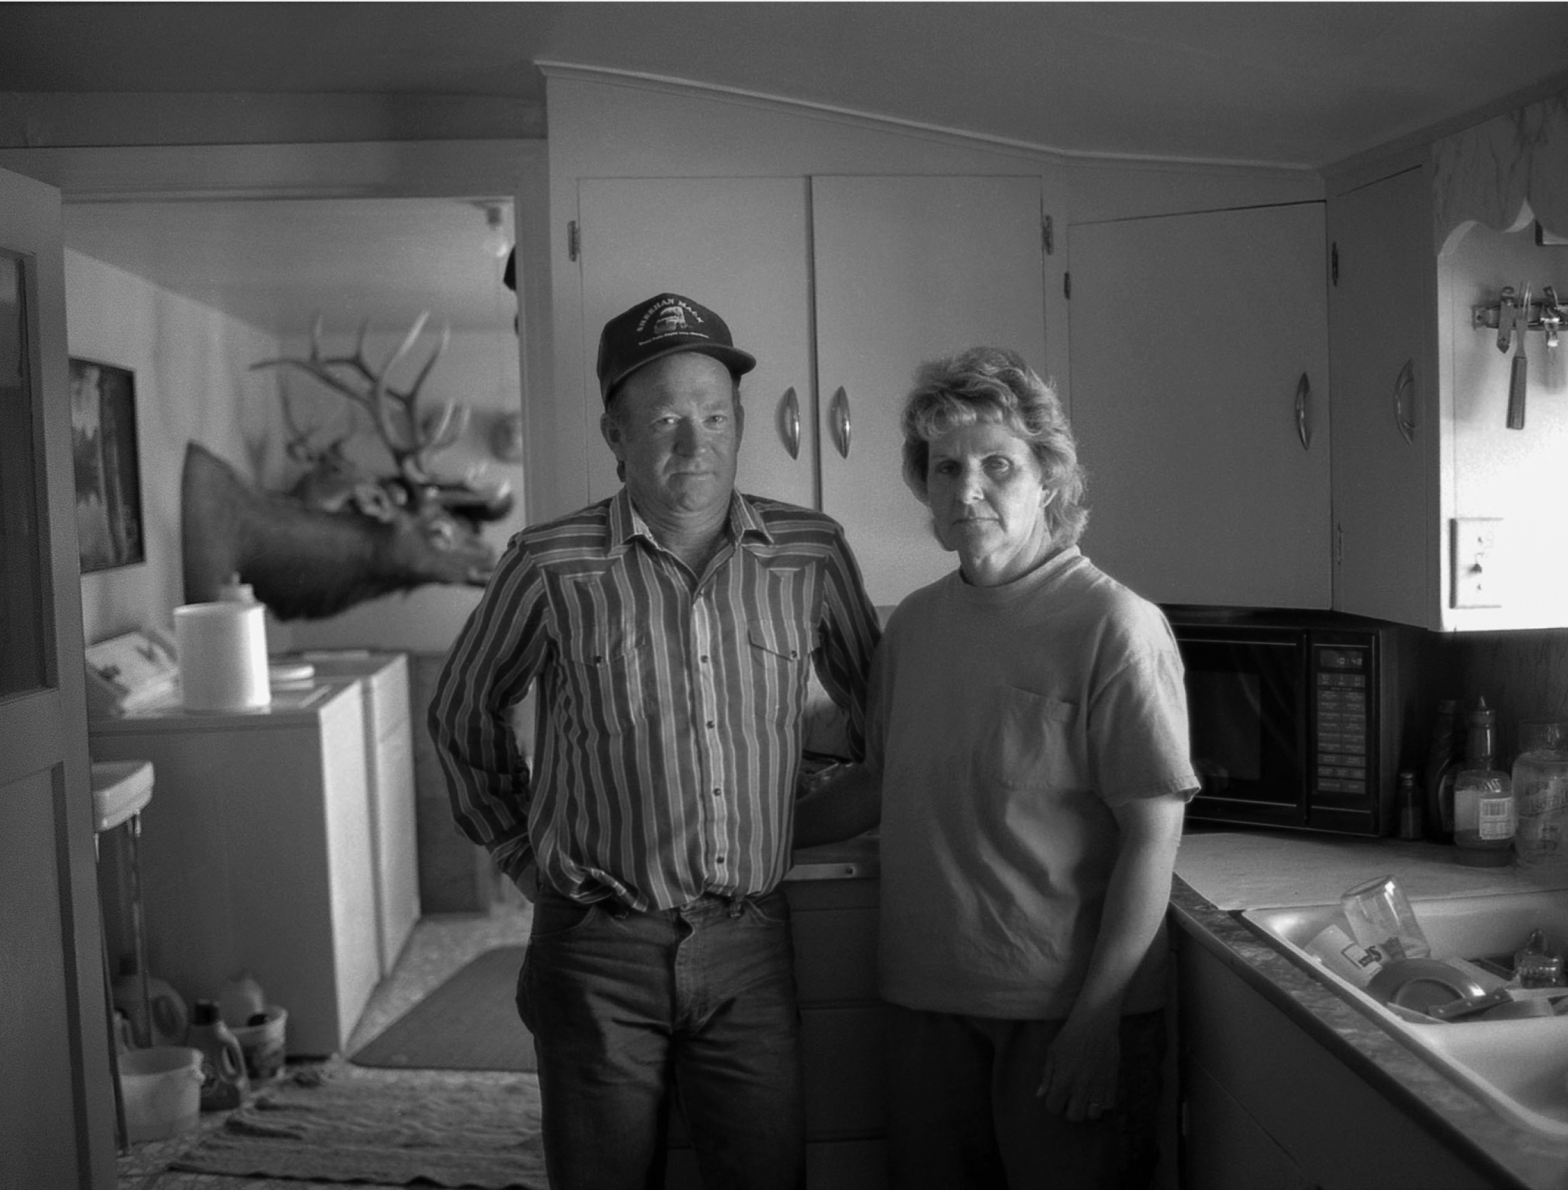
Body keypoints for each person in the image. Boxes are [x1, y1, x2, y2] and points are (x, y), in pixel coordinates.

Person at [430, 292, 880, 1190]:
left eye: (715, 416)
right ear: (615, 433)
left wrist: (803, 788)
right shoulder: (548, 563)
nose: (693, 442)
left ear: (740, 423)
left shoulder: (811, 552)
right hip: (595, 943)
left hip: (751, 939)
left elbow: (886, 710)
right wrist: (518, 852)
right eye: (666, 418)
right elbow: (462, 713)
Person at [798, 345, 1198, 1189]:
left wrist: (1099, 1019)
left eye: (998, 465)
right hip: (923, 1003)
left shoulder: (1114, 626)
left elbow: (1153, 836)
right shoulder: (914, 627)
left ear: (1048, 478)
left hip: (1061, 1012)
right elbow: (876, 784)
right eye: (945, 468)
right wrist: (750, 836)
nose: (967, 489)